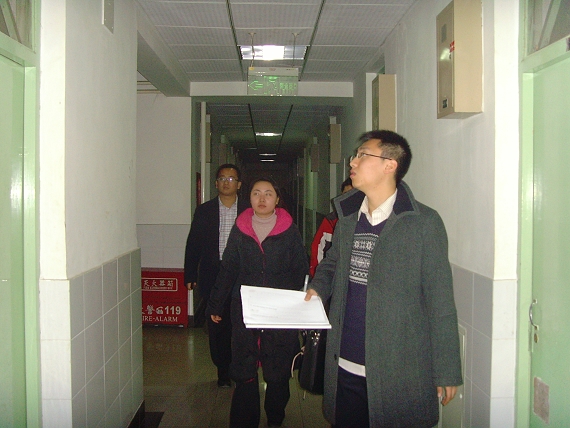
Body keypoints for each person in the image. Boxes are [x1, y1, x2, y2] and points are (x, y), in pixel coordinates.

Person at [305, 130, 462, 427]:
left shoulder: (423, 223)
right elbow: (332, 262)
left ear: (390, 164)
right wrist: (317, 288)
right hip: (344, 362)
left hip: (398, 370)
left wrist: (447, 369)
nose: (352, 161)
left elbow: (440, 301)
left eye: (362, 155)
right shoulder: (348, 219)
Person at [207, 177, 309, 428]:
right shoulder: (240, 228)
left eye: (268, 194)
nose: (262, 199)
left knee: (278, 366)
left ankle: (275, 417)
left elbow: (300, 269)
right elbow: (228, 268)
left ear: (277, 199)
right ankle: (245, 419)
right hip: (245, 307)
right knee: (244, 365)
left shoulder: (290, 230)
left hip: (279, 310)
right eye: (256, 193)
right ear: (249, 198)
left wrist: (292, 300)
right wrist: (216, 304)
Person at [183, 163, 249, 388]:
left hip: (241, 275)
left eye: (231, 179)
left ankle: (239, 367)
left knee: (239, 323)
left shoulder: (249, 210)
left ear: (239, 184)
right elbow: (193, 243)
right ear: (216, 183)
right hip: (213, 274)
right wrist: (190, 273)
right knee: (216, 324)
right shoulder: (205, 210)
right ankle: (222, 369)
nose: (226, 182)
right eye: (222, 179)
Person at [309, 177, 353, 277]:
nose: (349, 199)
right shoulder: (331, 221)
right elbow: (317, 248)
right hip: (330, 277)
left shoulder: (366, 222)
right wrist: (318, 276)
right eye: (346, 194)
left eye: (353, 194)